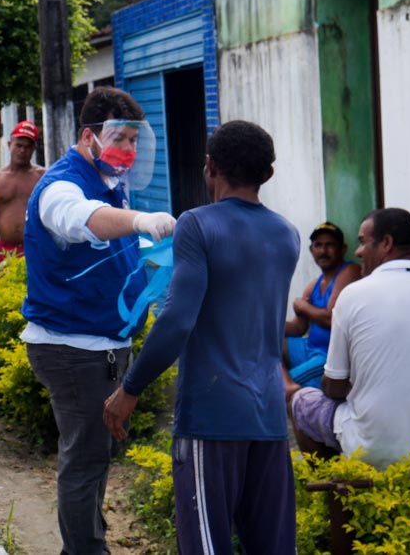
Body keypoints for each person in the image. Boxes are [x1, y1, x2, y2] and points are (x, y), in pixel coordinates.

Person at [103, 120, 301, 554]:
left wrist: (129, 388)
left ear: (209, 167)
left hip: (212, 418)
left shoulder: (197, 225)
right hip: (268, 418)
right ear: (267, 175)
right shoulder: (287, 234)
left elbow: (176, 321)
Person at [21, 85, 176, 555]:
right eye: (120, 138)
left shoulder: (110, 182)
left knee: (95, 454)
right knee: (86, 457)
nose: (128, 149)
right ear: (89, 136)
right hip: (72, 348)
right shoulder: (60, 186)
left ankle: (90, 542)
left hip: (102, 343)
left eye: (134, 140)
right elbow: (80, 218)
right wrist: (139, 221)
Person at [287, 208, 410, 487]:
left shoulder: (353, 295)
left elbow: (333, 387)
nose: (358, 252)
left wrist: (365, 387)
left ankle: (338, 493)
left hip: (372, 450)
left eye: (362, 241)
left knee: (300, 401)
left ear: (387, 243)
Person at [282, 222, 361, 389]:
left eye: (329, 245)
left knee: (282, 383)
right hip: (308, 348)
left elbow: (333, 320)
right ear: (311, 250)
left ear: (343, 249)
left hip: (328, 356)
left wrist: (303, 306)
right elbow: (298, 328)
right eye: (318, 245)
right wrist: (265, 326)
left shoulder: (349, 272)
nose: (323, 251)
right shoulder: (313, 285)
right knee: (269, 344)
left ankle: (289, 391)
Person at [0, 119, 45, 278]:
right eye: (19, 145)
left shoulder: (43, 177)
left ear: (34, 148)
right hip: (5, 251)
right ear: (9, 144)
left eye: (28, 146)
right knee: (4, 299)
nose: (22, 150)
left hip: (36, 249)